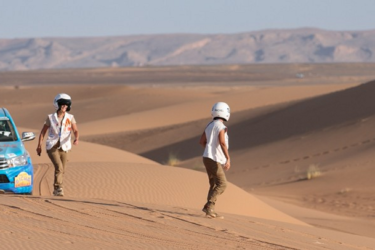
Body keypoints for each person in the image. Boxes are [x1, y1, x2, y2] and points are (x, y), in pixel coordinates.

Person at [36, 93, 79, 196]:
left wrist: (76, 138)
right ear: (57, 104)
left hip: (65, 146)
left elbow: (75, 130)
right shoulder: (50, 118)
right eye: (62, 104)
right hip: (52, 146)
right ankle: (58, 188)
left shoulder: (70, 117)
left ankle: (57, 189)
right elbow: (43, 132)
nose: (64, 106)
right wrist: (39, 146)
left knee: (62, 169)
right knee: (59, 167)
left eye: (66, 104)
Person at [199, 102, 231, 218]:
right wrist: (228, 158)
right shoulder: (221, 127)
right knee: (222, 184)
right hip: (214, 159)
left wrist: (209, 149)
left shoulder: (210, 124)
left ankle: (209, 209)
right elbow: (222, 142)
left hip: (206, 157)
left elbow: (202, 141)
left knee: (213, 184)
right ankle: (209, 206)